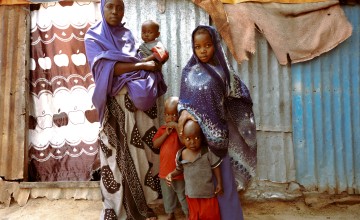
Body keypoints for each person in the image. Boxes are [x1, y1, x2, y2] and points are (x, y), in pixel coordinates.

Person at [84, 0, 167, 219]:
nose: (115, 11)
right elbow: (107, 69)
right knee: (115, 161)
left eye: (119, 7)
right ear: (102, 7)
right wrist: (141, 65)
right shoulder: (93, 37)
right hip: (115, 108)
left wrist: (151, 63)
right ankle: (117, 208)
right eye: (110, 6)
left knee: (143, 158)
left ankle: (145, 204)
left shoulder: (128, 35)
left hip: (138, 107)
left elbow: (133, 61)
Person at [177, 25, 257, 220]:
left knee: (224, 184)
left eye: (207, 45)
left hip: (217, 137)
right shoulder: (188, 71)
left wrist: (238, 116)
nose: (203, 50)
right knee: (202, 186)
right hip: (196, 139)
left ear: (216, 45)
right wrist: (185, 112)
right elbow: (183, 101)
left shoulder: (223, 71)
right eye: (198, 46)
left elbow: (239, 95)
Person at [166, 120, 223, 220]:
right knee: (195, 217)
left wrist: (219, 183)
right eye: (188, 138)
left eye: (196, 138)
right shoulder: (181, 154)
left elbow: (215, 167)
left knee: (211, 216)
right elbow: (179, 169)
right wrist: (171, 174)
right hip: (191, 195)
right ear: (182, 138)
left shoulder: (207, 151)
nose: (193, 142)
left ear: (201, 137)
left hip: (208, 194)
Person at [152, 96, 188, 220]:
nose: (171, 118)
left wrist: (178, 128)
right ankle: (170, 214)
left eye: (174, 115)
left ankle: (188, 214)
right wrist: (166, 134)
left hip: (179, 172)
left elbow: (184, 143)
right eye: (168, 115)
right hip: (164, 172)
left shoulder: (182, 130)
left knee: (182, 194)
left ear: (179, 116)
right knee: (168, 195)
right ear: (164, 115)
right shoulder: (162, 130)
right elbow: (155, 144)